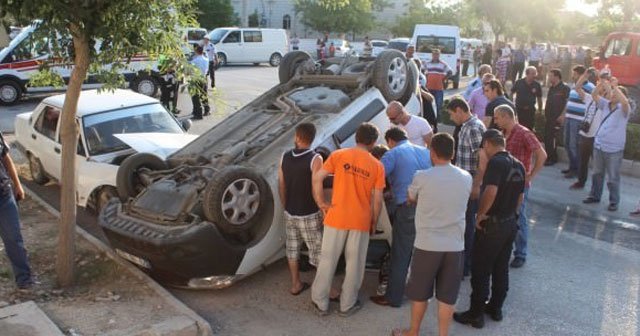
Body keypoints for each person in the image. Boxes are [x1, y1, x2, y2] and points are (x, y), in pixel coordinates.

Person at [391, 133, 472, 336]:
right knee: (447, 297)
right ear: (453, 153)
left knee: (419, 293)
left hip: (427, 244)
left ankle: (414, 332)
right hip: (455, 246)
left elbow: (410, 197)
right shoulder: (466, 177)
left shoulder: (422, 176)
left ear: (432, 153)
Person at [311, 123, 385, 317]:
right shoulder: (377, 165)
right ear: (373, 142)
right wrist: (374, 223)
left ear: (356, 137)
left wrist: (321, 202)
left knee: (327, 260)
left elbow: (317, 178)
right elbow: (377, 200)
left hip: (336, 216)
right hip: (360, 220)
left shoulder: (338, 155)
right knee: (355, 265)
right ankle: (347, 305)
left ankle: (320, 303)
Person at [453, 129, 525, 329]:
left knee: (481, 269)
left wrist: (481, 214)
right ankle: (495, 308)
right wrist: (514, 214)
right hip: (509, 223)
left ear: (487, 144)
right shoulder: (517, 163)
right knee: (501, 268)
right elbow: (521, 195)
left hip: (493, 225)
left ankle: (475, 314)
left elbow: (491, 191)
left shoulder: (496, 163)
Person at [370, 127, 431, 308]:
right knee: (421, 252)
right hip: (428, 208)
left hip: (408, 208)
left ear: (390, 140)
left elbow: (376, 179)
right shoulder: (425, 152)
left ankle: (393, 297)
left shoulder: (393, 154)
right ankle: (420, 293)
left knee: (400, 253)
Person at [492, 105, 547, 268]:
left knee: (518, 217)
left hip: (518, 185)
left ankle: (521, 253)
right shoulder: (502, 134)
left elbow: (541, 154)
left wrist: (530, 175)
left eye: (497, 118)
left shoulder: (524, 133)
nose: (495, 121)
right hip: (503, 183)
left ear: (506, 116)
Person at [278, 123, 324, 296]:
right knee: (318, 252)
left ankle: (295, 284)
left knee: (292, 249)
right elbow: (316, 187)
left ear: (297, 136)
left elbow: (281, 184)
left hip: (290, 211)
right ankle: (323, 288)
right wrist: (322, 207)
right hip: (309, 212)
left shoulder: (284, 157)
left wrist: (285, 205)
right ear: (312, 138)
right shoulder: (315, 158)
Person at [447, 97, 486, 278]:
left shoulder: (473, 128)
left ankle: (465, 267)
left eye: (451, 114)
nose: (451, 118)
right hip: (464, 183)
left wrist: (476, 186)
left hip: (471, 185)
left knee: (468, 227)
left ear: (460, 111)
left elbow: (483, 160)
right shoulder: (466, 127)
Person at [583, 77, 631, 212]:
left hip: (614, 150)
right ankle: (594, 195)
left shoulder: (624, 109)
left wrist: (615, 87)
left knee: (613, 177)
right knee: (597, 173)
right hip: (599, 146)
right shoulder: (605, 104)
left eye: (615, 93)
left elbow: (625, 102)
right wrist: (602, 83)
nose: (612, 94)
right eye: (612, 93)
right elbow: (594, 95)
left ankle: (614, 201)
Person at [0, 131, 34, 291]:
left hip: (4, 196)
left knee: (14, 239)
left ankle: (24, 279)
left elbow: (6, 158)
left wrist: (18, 184)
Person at [562, 65, 596, 179]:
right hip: (569, 118)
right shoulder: (573, 86)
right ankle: (572, 166)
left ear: (582, 75)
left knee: (574, 145)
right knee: (567, 143)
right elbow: (569, 101)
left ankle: (576, 170)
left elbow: (592, 103)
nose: (573, 75)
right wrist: (564, 115)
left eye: (575, 74)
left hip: (578, 120)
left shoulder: (591, 87)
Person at [572, 68, 602, 189]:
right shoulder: (589, 98)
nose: (598, 87)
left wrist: (605, 81)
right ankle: (581, 182)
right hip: (585, 134)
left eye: (601, 87)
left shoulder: (606, 102)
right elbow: (578, 87)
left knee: (597, 167)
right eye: (597, 85)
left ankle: (595, 190)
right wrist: (585, 75)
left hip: (597, 137)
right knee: (583, 162)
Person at [543, 69, 570, 166]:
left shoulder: (564, 88)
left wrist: (563, 115)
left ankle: (553, 158)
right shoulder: (552, 88)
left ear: (557, 76)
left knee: (553, 138)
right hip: (549, 117)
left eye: (550, 76)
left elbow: (568, 103)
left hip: (557, 117)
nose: (549, 78)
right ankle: (549, 156)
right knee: (547, 138)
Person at [511, 66, 543, 130]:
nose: (535, 75)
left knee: (529, 129)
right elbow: (511, 93)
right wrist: (511, 103)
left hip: (530, 111)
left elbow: (539, 98)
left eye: (535, 73)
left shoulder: (537, 85)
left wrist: (540, 110)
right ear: (527, 74)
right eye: (533, 73)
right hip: (519, 110)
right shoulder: (519, 82)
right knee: (518, 128)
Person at [424, 49, 452, 120]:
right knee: (428, 104)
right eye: (434, 54)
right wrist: (426, 77)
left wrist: (444, 79)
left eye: (437, 54)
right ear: (432, 55)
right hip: (428, 87)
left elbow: (450, 72)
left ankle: (438, 119)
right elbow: (421, 70)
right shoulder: (427, 63)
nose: (435, 56)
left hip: (439, 88)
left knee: (438, 105)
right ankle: (429, 117)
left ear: (439, 55)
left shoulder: (443, 64)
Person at [189, 45, 210, 120]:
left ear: (196, 51)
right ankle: (207, 110)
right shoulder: (206, 60)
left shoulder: (194, 61)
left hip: (196, 79)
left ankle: (198, 113)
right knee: (204, 94)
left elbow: (190, 70)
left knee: (195, 97)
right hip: (203, 78)